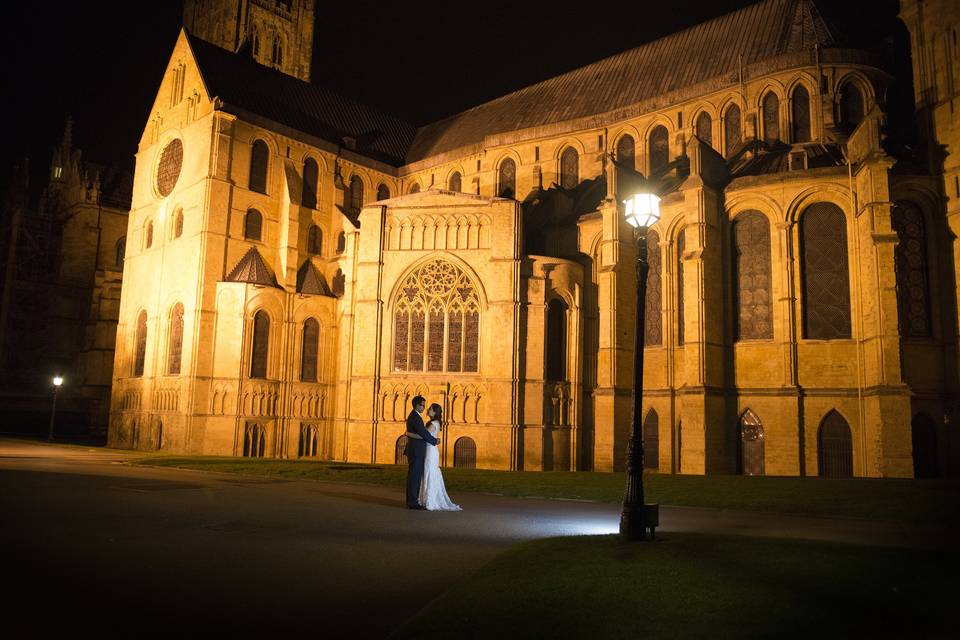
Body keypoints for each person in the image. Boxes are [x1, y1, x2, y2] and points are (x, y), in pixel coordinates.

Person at [418, 403, 461, 511]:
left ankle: (429, 500)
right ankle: (427, 498)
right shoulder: (435, 422)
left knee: (429, 472)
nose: (428, 409)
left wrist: (411, 434)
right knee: (429, 472)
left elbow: (424, 436)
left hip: (430, 451)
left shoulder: (433, 423)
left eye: (430, 409)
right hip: (431, 450)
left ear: (435, 412)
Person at [404, 396, 436, 509]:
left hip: (415, 450)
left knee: (413, 476)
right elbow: (424, 433)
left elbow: (420, 434)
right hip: (416, 451)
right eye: (422, 405)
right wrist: (434, 441)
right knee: (415, 477)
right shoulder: (415, 417)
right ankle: (413, 503)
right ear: (417, 405)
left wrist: (409, 434)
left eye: (424, 405)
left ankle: (411, 501)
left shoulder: (414, 416)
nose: (423, 407)